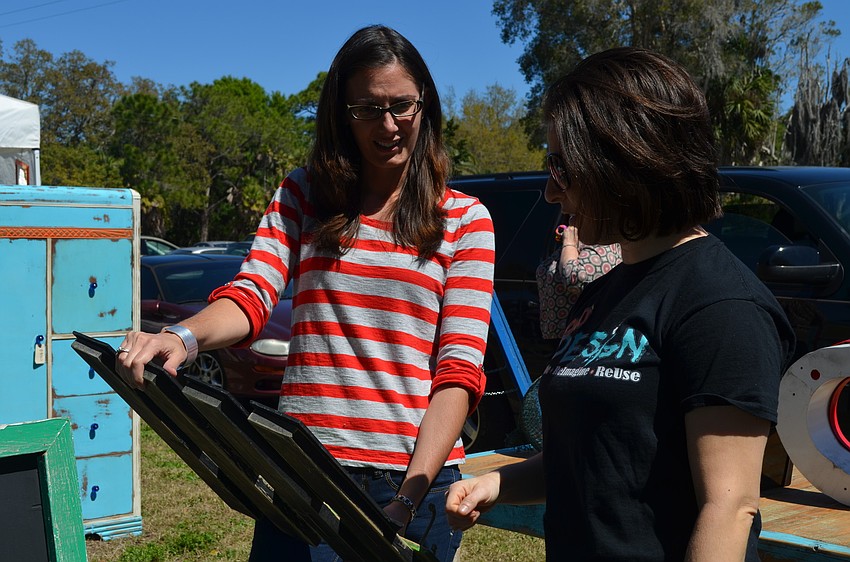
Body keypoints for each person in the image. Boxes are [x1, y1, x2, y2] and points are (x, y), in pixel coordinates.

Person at [117, 24, 495, 562]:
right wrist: (183, 336)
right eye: (367, 109)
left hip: (412, 480)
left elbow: (459, 370)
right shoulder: (304, 194)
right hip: (302, 470)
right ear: (342, 113)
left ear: (425, 105)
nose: (388, 126)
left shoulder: (464, 219)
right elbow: (252, 294)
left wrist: (408, 500)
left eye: (402, 106)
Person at [446, 47, 795, 561]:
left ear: (626, 159)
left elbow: (729, 508)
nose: (549, 192)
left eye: (562, 167)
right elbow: (592, 457)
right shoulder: (603, 291)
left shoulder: (721, 305)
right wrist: (497, 484)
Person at [536, 216, 621, 339]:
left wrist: (569, 244)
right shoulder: (578, 237)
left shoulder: (601, 241)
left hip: (582, 341)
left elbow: (576, 279)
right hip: (557, 341)